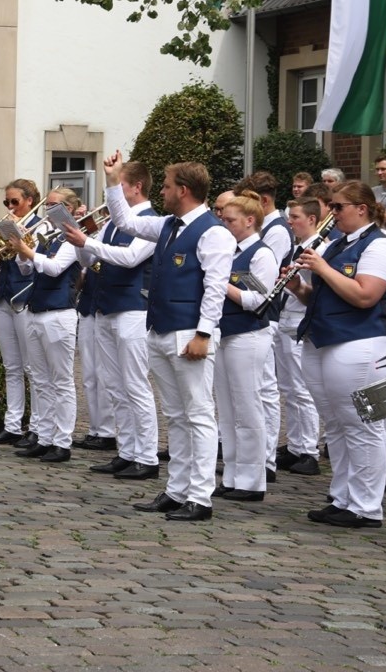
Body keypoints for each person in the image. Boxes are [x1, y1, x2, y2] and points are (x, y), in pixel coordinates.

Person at [102, 152, 233, 522]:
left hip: (188, 331)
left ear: (184, 190)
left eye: (167, 185)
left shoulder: (213, 231)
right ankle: (177, 489)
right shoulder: (168, 225)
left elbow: (215, 287)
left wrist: (204, 334)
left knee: (199, 414)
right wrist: (114, 181)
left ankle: (200, 496)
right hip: (160, 328)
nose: (162, 190)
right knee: (176, 414)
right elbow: (125, 222)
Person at [286, 180, 386, 529]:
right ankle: (343, 497)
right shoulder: (338, 245)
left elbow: (365, 295)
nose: (331, 213)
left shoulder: (381, 245)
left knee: (362, 424)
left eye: (337, 207)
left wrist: (321, 268)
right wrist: (299, 287)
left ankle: (366, 505)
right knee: (335, 424)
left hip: (360, 341)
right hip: (324, 338)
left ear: (361, 209)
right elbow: (323, 296)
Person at [65, 159, 159, 480]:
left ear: (136, 187)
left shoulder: (151, 221)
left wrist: (87, 242)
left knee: (135, 384)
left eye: (119, 185)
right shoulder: (113, 223)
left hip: (134, 309)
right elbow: (89, 259)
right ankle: (127, 449)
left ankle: (146, 456)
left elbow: (131, 257)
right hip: (105, 307)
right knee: (115, 384)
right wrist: (78, 240)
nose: (115, 193)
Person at [214, 190, 278, 502]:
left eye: (230, 220)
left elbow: (258, 300)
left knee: (248, 407)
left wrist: (220, 283)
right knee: (226, 409)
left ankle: (252, 480)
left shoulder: (260, 254)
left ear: (250, 221)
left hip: (248, 334)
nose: (224, 224)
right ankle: (232, 474)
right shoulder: (232, 250)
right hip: (224, 332)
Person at [12, 187, 83, 464]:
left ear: (66, 208)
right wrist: (21, 250)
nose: (47, 210)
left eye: (53, 206)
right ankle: (44, 437)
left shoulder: (72, 239)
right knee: (40, 380)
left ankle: (62, 441)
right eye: (48, 205)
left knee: (61, 381)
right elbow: (26, 269)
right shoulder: (47, 236)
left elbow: (54, 269)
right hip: (36, 310)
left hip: (59, 313)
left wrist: (27, 250)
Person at [0, 180, 39, 446]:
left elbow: (31, 265)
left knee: (32, 367)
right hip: (4, 297)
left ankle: (37, 427)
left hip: (26, 298)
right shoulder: (7, 224)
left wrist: (20, 241)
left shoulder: (40, 226)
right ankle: (12, 424)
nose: (9, 207)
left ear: (29, 200)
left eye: (14, 202)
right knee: (11, 367)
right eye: (6, 202)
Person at [274, 198, 323, 476]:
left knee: (302, 389)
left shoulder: (319, 248)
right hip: (286, 318)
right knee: (290, 388)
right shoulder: (297, 248)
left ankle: (309, 450)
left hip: (299, 320)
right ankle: (295, 445)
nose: (290, 221)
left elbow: (314, 291)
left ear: (313, 219)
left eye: (295, 217)